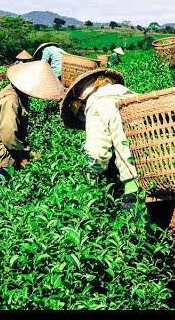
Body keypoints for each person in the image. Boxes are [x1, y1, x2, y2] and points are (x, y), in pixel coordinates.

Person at [60, 68, 141, 212]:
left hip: (134, 180)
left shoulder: (96, 105)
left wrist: (93, 175)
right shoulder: (129, 94)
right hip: (162, 169)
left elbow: (97, 153)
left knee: (134, 219)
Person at [0, 60, 64, 197]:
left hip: (4, 156)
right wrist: (27, 152)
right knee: (0, 200)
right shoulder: (11, 102)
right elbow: (10, 138)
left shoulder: (15, 94)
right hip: (1, 160)